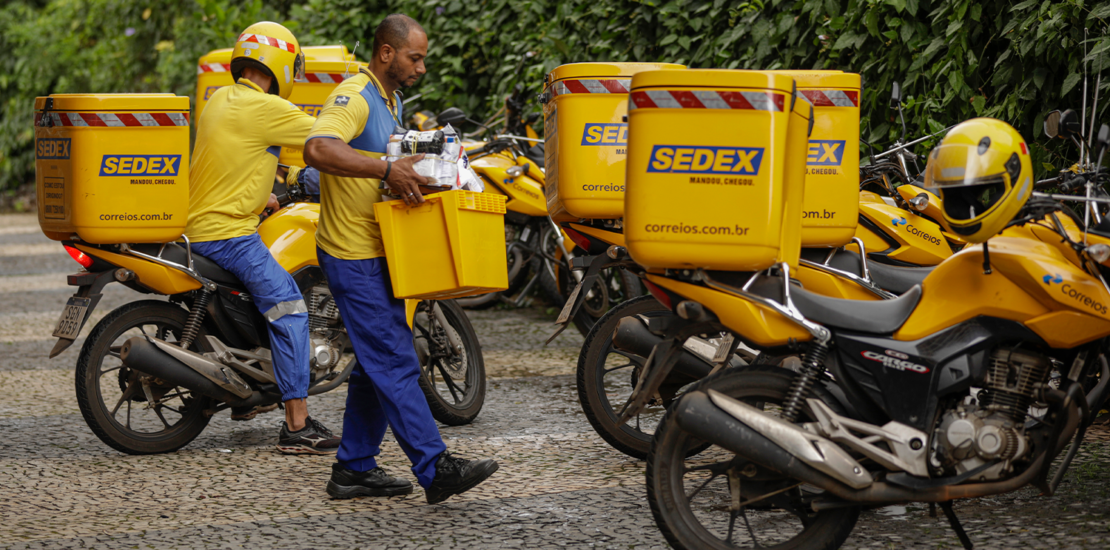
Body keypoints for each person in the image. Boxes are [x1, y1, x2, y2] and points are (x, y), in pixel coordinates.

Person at [303, 13, 499, 504]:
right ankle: (435, 469)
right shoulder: (355, 95)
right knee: (394, 358)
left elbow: (384, 169)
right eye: (416, 57)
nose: (422, 67)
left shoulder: (392, 101)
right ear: (386, 53)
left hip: (379, 250)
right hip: (351, 254)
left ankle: (353, 468)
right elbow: (318, 148)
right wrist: (387, 168)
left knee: (375, 364)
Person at [185, 21, 341, 455]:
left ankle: (246, 397)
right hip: (228, 234)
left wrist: (265, 197)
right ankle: (297, 425)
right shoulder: (265, 108)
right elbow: (327, 140)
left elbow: (237, 159)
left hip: (199, 226)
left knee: (260, 301)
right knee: (290, 310)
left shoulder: (220, 100)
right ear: (282, 63)